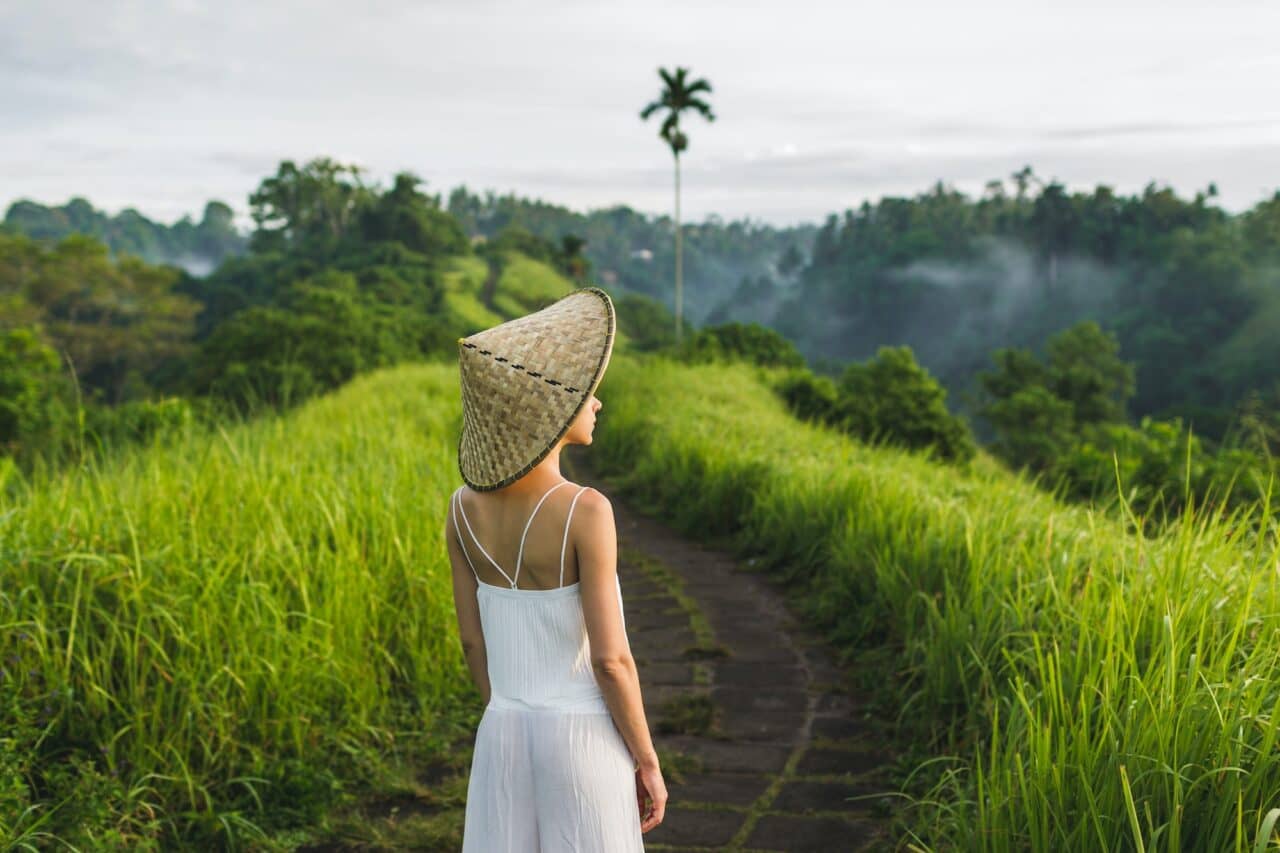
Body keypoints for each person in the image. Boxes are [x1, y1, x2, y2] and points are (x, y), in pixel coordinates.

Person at [443, 286, 667, 851]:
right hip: (581, 739)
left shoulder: (459, 509)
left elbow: (474, 644)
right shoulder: (586, 510)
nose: (597, 404)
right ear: (554, 409)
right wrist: (646, 759)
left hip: (502, 733)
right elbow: (611, 661)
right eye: (589, 395)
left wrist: (510, 713)